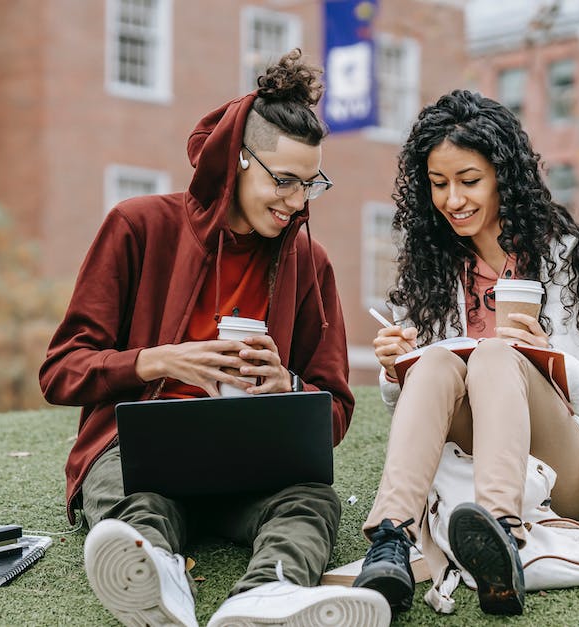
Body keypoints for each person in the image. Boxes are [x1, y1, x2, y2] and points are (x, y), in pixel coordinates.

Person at [39, 50, 388, 627]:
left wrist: (290, 385)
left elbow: (336, 410)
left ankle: (266, 595)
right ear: (238, 161)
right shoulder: (138, 225)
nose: (296, 202)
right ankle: (158, 581)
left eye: (310, 184)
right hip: (139, 456)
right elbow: (61, 371)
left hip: (253, 463)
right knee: (136, 506)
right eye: (283, 181)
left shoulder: (310, 262)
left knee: (310, 502)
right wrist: (157, 362)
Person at [351, 90, 579, 616]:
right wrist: (397, 369)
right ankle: (391, 539)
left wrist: (550, 361)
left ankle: (500, 536)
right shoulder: (431, 269)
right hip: (469, 457)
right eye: (438, 184)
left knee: (493, 356)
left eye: (469, 181)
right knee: (440, 361)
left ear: (504, 179)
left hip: (567, 469)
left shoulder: (577, 262)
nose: (453, 200)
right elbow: (416, 410)